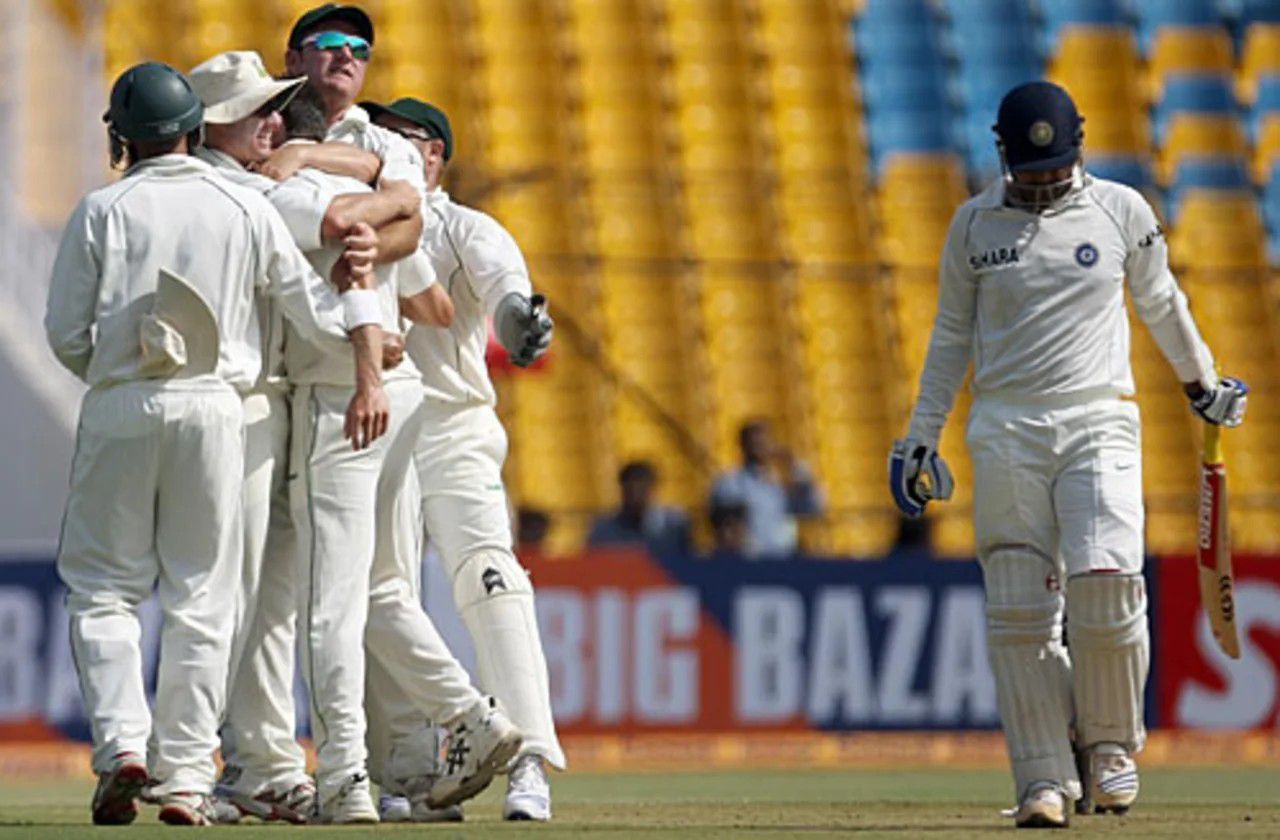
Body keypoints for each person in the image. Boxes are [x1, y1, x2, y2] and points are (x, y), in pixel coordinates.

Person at [888, 81, 1249, 828]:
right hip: (1007, 428)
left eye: (1058, 170)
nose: (1046, 183)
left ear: (1080, 150)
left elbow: (1160, 301)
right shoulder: (972, 225)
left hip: (1099, 421)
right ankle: (1043, 778)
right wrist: (920, 432)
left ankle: (1112, 750)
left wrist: (1202, 383)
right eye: (1032, 173)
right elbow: (951, 335)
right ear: (1004, 158)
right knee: (1019, 610)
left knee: (1107, 585)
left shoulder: (1122, 210)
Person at [45, 61, 384, 826]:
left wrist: (119, 375)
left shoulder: (102, 209)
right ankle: (188, 779)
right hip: (220, 409)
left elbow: (67, 335)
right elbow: (308, 313)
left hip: (122, 401)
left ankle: (124, 747)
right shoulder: (244, 206)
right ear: (194, 129)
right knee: (205, 600)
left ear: (124, 137)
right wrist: (366, 327)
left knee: (104, 590)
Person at [185, 50, 433, 824]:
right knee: (229, 591)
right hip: (245, 402)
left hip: (264, 398)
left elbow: (390, 212)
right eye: (261, 109)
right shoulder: (257, 192)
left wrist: (383, 195)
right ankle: (217, 766)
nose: (273, 119)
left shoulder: (246, 179)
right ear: (219, 123)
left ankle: (246, 763)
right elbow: (337, 243)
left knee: (254, 592)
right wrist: (366, 350)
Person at [362, 97, 561, 822]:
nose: (381, 146)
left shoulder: (464, 226)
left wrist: (522, 324)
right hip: (375, 423)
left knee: (490, 577)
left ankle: (529, 759)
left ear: (435, 155)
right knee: (382, 593)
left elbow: (506, 288)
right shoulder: (352, 216)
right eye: (378, 136)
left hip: (453, 425)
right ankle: (407, 767)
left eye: (402, 139)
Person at [709, 420, 823, 558]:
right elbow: (725, 526)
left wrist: (794, 465)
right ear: (743, 446)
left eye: (763, 443)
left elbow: (813, 507)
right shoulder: (730, 482)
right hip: (749, 560)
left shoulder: (780, 484)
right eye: (754, 443)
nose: (759, 448)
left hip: (782, 558)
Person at [588, 460, 692, 556]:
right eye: (631, 490)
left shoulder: (675, 525)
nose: (636, 495)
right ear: (622, 490)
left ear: (653, 488)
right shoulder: (604, 530)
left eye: (642, 489)